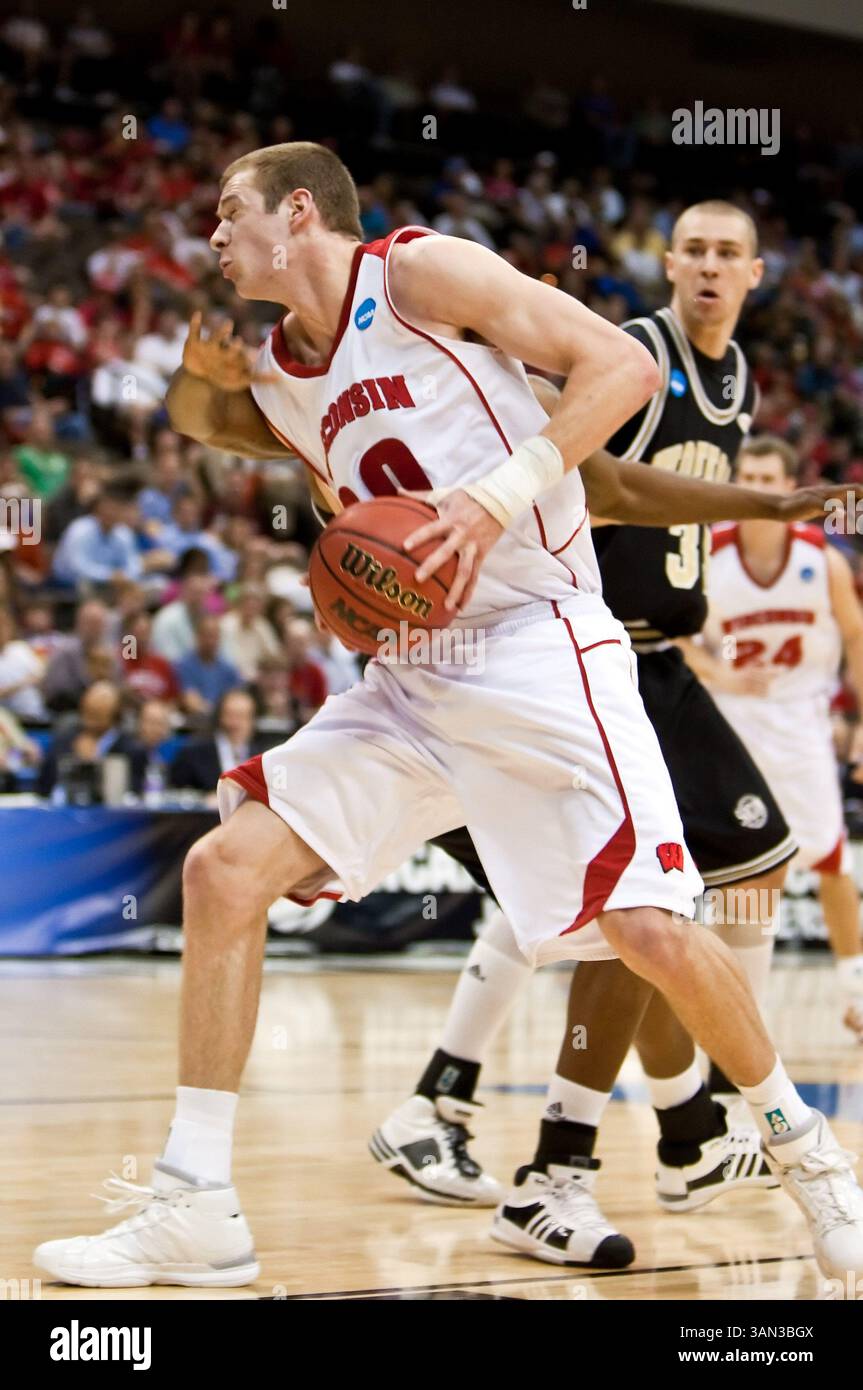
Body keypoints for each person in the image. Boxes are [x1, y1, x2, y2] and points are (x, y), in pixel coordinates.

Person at [34, 144, 863, 1288]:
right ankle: (195, 1204)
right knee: (225, 872)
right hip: (413, 670)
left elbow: (618, 367)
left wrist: (492, 498)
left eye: (229, 211)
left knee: (651, 933)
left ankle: (809, 1158)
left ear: (300, 213)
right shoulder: (276, 368)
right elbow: (211, 420)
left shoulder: (414, 274)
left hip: (541, 641)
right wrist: (192, 376)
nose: (211, 235)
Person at [369, 202, 849, 1263]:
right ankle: (639, 1130)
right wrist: (760, 509)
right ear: (668, 264)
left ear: (759, 274)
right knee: (640, 897)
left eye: (731, 254)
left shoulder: (739, 386)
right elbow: (603, 488)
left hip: (654, 657)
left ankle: (663, 1124)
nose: (712, 268)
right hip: (586, 647)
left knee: (652, 895)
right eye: (696, 251)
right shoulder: (629, 355)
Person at [690, 435, 863, 1040]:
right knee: (730, 871)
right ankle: (712, 998)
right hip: (727, 721)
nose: (757, 488)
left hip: (802, 719)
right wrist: (720, 672)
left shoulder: (825, 559)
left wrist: (861, 724)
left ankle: (855, 992)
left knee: (830, 856)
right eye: (749, 477)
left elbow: (857, 637)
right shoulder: (708, 555)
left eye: (769, 479)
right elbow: (675, 636)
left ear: (791, 489)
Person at [168, 688, 272, 793]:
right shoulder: (193, 753)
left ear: (253, 720)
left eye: (242, 716)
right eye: (230, 715)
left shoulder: (263, 757)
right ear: (220, 717)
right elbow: (176, 792)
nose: (235, 723)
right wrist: (205, 801)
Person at [175, 612, 243, 721]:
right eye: (207, 635)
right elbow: (190, 701)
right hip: (194, 724)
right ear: (197, 636)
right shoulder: (184, 665)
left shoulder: (228, 668)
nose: (211, 641)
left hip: (224, 722)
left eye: (214, 636)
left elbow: (236, 698)